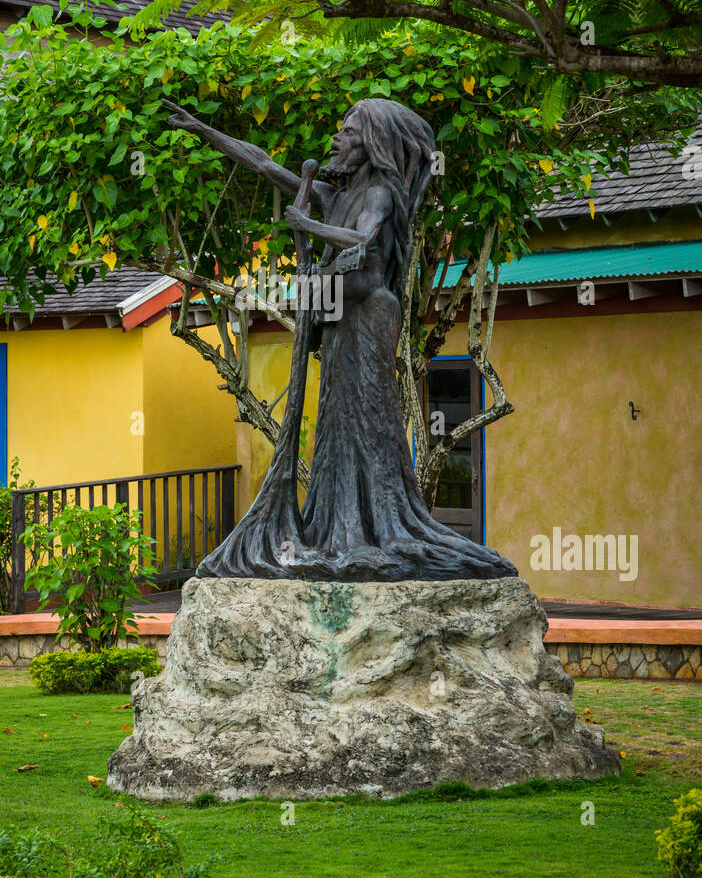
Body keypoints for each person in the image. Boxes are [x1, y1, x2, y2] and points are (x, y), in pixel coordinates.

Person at [168, 96, 517, 581]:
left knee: (370, 419)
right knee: (337, 422)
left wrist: (308, 225)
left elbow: (363, 241)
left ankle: (381, 529)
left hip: (370, 315)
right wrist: (203, 129)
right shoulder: (338, 194)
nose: (337, 138)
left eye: (348, 132)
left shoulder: (377, 194)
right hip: (338, 317)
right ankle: (339, 525)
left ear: (371, 145)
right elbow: (265, 165)